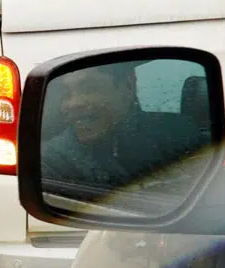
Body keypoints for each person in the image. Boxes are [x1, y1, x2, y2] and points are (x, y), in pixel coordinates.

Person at [43, 63, 203, 196]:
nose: (72, 103)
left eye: (89, 88)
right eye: (66, 94)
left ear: (128, 85)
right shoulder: (52, 160)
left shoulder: (179, 132)